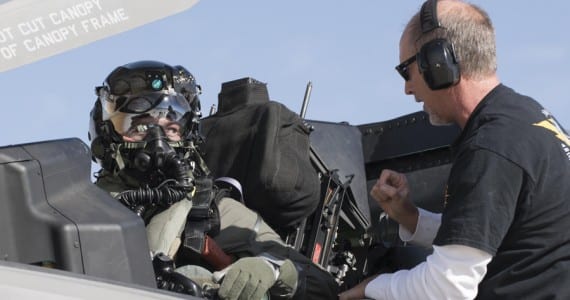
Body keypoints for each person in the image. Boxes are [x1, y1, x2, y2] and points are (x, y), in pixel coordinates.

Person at [340, 0, 570, 299]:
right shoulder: (525, 118)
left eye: (405, 71)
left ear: (438, 63)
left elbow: (447, 287)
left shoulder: (492, 147)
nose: (407, 89)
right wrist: (410, 217)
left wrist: (370, 287)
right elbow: (488, 233)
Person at [88, 60, 338, 300]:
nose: (159, 141)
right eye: (141, 127)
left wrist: (272, 269)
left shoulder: (208, 211)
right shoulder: (73, 207)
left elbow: (323, 287)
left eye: (172, 129)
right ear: (107, 133)